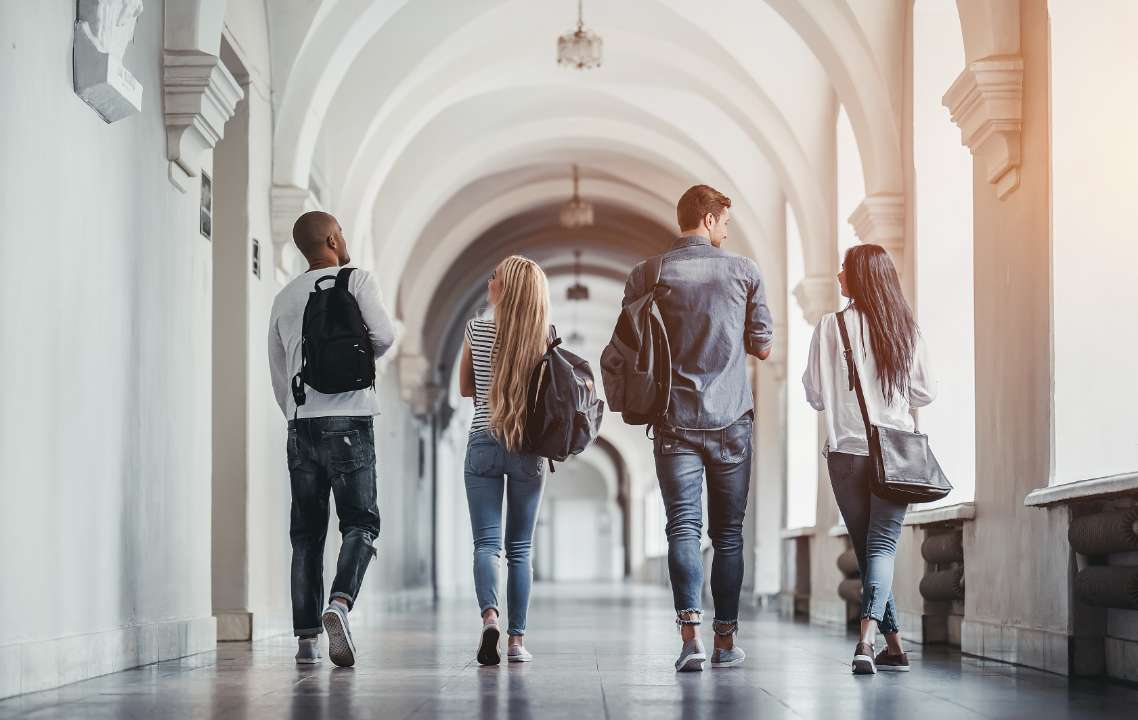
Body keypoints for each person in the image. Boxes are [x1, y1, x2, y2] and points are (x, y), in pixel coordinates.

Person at [620, 185, 774, 672]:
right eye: (724, 221)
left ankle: (691, 640)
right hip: (731, 421)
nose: (727, 231)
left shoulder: (647, 273)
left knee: (682, 529)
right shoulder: (744, 270)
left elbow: (630, 345)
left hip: (674, 420)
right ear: (708, 220)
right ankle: (725, 641)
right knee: (728, 536)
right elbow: (763, 345)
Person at [268, 211, 395, 667]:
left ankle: (305, 641)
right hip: (351, 420)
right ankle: (339, 604)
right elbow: (384, 337)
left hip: (301, 424)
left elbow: (278, 372)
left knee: (306, 534)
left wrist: (299, 412)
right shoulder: (356, 280)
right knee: (360, 522)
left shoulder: (283, 296)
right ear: (331, 238)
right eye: (340, 231)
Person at [802, 243, 936, 675]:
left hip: (846, 455)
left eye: (844, 268)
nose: (839, 275)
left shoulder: (829, 327)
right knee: (877, 550)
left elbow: (816, 395)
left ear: (860, 277)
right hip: (895, 454)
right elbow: (924, 393)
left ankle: (871, 641)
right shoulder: (905, 329)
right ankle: (884, 643)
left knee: (868, 550)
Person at [459, 255, 551, 666]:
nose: (488, 279)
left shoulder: (475, 329)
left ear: (505, 289)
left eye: (494, 275)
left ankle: (490, 618)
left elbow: (465, 389)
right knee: (520, 549)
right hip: (527, 448)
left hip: (482, 441)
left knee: (486, 544)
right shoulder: (544, 336)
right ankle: (516, 642)